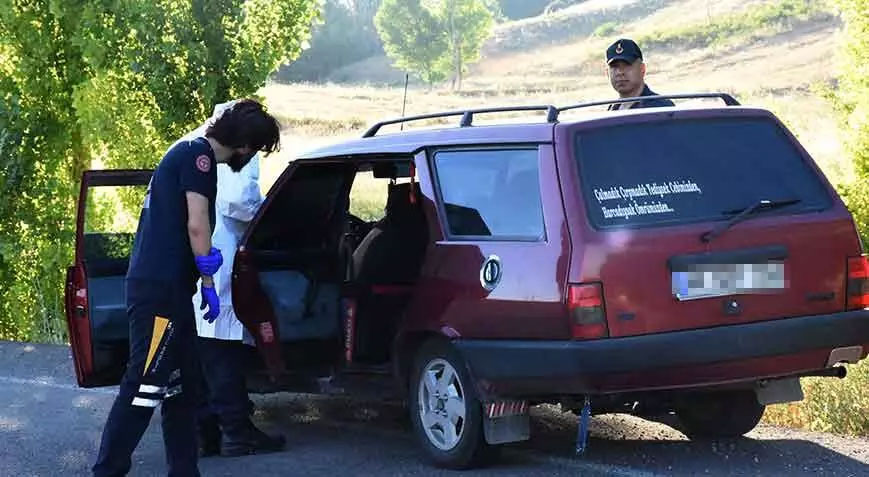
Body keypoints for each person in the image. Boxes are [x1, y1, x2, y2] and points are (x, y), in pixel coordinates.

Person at [92, 98, 281, 477]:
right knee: (145, 384)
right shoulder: (200, 159)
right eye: (256, 148)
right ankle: (107, 471)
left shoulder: (185, 150)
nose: (250, 155)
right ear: (245, 146)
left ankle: (184, 470)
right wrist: (209, 279)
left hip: (169, 289)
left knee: (183, 387)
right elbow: (198, 224)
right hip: (161, 292)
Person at [183, 102, 286, 457]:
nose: (252, 153)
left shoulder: (190, 144)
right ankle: (237, 431)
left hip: (192, 260)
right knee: (223, 349)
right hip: (219, 255)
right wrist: (271, 215)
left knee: (200, 351)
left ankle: (205, 432)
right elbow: (240, 202)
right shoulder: (236, 150)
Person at [605, 38, 675, 110]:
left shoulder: (661, 107)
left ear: (642, 69)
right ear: (607, 73)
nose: (620, 72)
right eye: (614, 67)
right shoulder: (612, 109)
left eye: (627, 65)